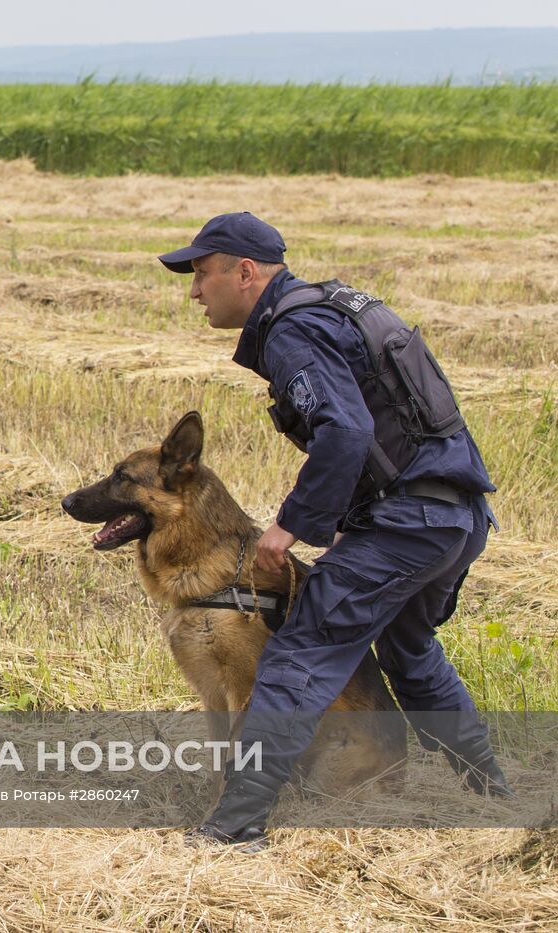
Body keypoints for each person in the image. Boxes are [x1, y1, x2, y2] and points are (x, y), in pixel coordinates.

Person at [157, 212, 512, 850]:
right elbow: (393, 427)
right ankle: (494, 793)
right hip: (454, 514)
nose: (194, 291)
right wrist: (356, 526)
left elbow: (347, 432)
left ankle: (234, 827)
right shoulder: (333, 308)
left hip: (411, 520)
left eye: (202, 273)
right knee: (409, 652)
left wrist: (290, 528)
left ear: (245, 272)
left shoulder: (294, 328)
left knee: (299, 654)